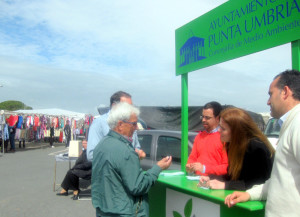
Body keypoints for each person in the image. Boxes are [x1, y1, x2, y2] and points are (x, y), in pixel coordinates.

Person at [224, 70, 300, 217]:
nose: (268, 102)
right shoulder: (290, 124)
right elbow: (280, 180)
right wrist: (249, 195)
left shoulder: (298, 123)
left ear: (285, 92)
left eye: (270, 94)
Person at [92, 102, 172, 217]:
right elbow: (138, 186)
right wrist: (158, 168)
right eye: (133, 124)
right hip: (123, 212)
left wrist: (133, 161)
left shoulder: (102, 144)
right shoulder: (125, 150)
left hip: (104, 210)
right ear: (120, 125)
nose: (136, 128)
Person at [199, 107, 275, 190]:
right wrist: (211, 178)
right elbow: (231, 174)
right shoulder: (232, 144)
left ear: (237, 131)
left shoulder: (256, 147)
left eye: (223, 128)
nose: (219, 131)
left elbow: (258, 183)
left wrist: (225, 185)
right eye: (219, 126)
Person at [87, 91, 145, 161]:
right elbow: (91, 155)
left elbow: (136, 147)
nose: (131, 110)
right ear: (114, 106)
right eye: (127, 107)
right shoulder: (99, 123)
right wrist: (121, 159)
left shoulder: (131, 123)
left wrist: (138, 153)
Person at [186, 101, 228, 176]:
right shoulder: (199, 136)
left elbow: (226, 167)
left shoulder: (224, 138)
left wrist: (204, 168)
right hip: (196, 182)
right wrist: (189, 165)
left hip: (215, 184)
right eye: (202, 117)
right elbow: (192, 157)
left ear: (217, 118)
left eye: (207, 118)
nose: (203, 120)